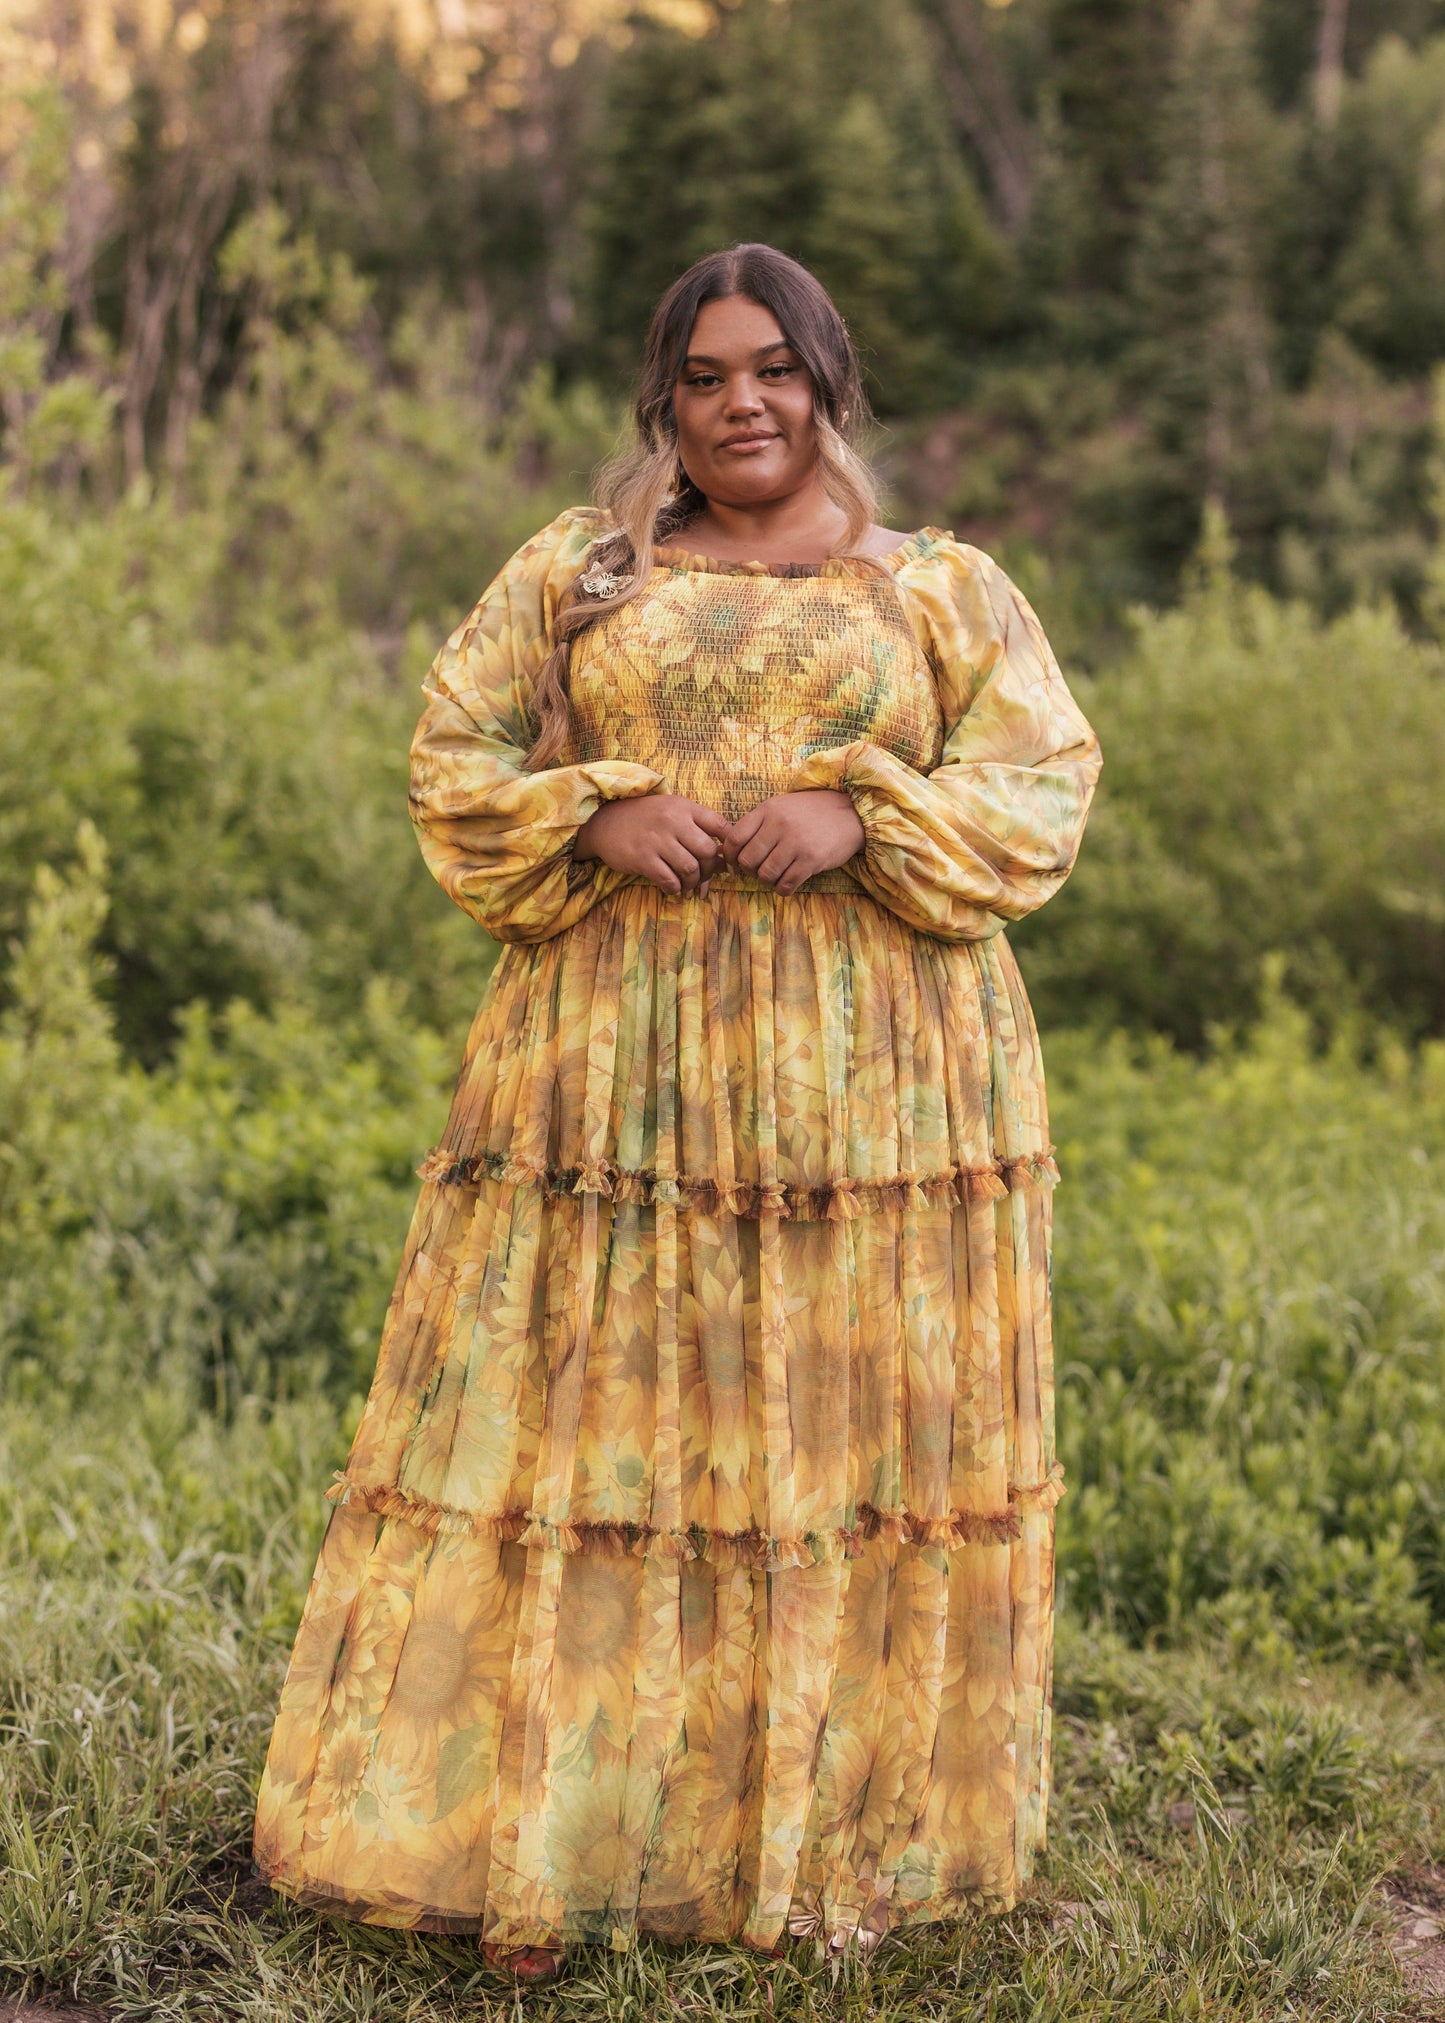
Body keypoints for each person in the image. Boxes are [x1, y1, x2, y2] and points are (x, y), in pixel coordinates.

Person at [253, 242, 1101, 1983]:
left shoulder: (935, 587)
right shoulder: (584, 574)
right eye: (707, 376)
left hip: (876, 1090)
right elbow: (449, 754)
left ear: (828, 384)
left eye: (774, 370)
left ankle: (822, 1842)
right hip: (614, 1077)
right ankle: (588, 1831)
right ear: (666, 399)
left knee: (844, 1444)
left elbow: (1039, 780)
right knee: (609, 1430)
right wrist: (591, 816)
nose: (742, 405)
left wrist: (863, 820)